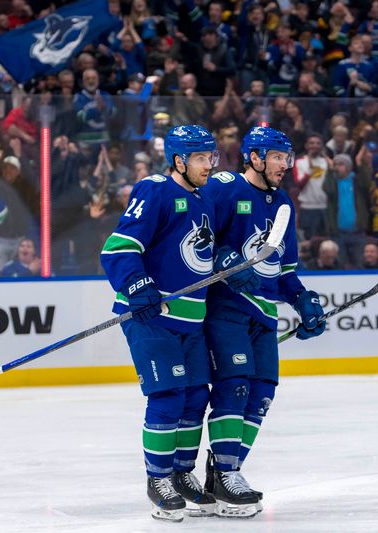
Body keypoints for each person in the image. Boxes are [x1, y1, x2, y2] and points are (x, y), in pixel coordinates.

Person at [100, 125, 253, 521]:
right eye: (202, 158)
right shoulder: (154, 190)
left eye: (211, 157)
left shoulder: (202, 199)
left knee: (195, 398)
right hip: (152, 316)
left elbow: (204, 246)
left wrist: (224, 260)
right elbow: (118, 248)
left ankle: (183, 473)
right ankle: (159, 479)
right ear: (179, 160)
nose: (209, 165)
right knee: (168, 396)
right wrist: (137, 284)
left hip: (191, 321)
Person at [199, 126, 327, 517]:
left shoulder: (283, 202)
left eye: (287, 158)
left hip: (264, 314)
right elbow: (196, 236)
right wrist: (221, 259)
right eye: (277, 157)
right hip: (227, 308)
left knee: (262, 396)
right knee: (234, 388)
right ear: (254, 157)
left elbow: (284, 271)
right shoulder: (224, 187)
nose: (285, 165)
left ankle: (226, 471)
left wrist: (303, 300)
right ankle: (224, 473)